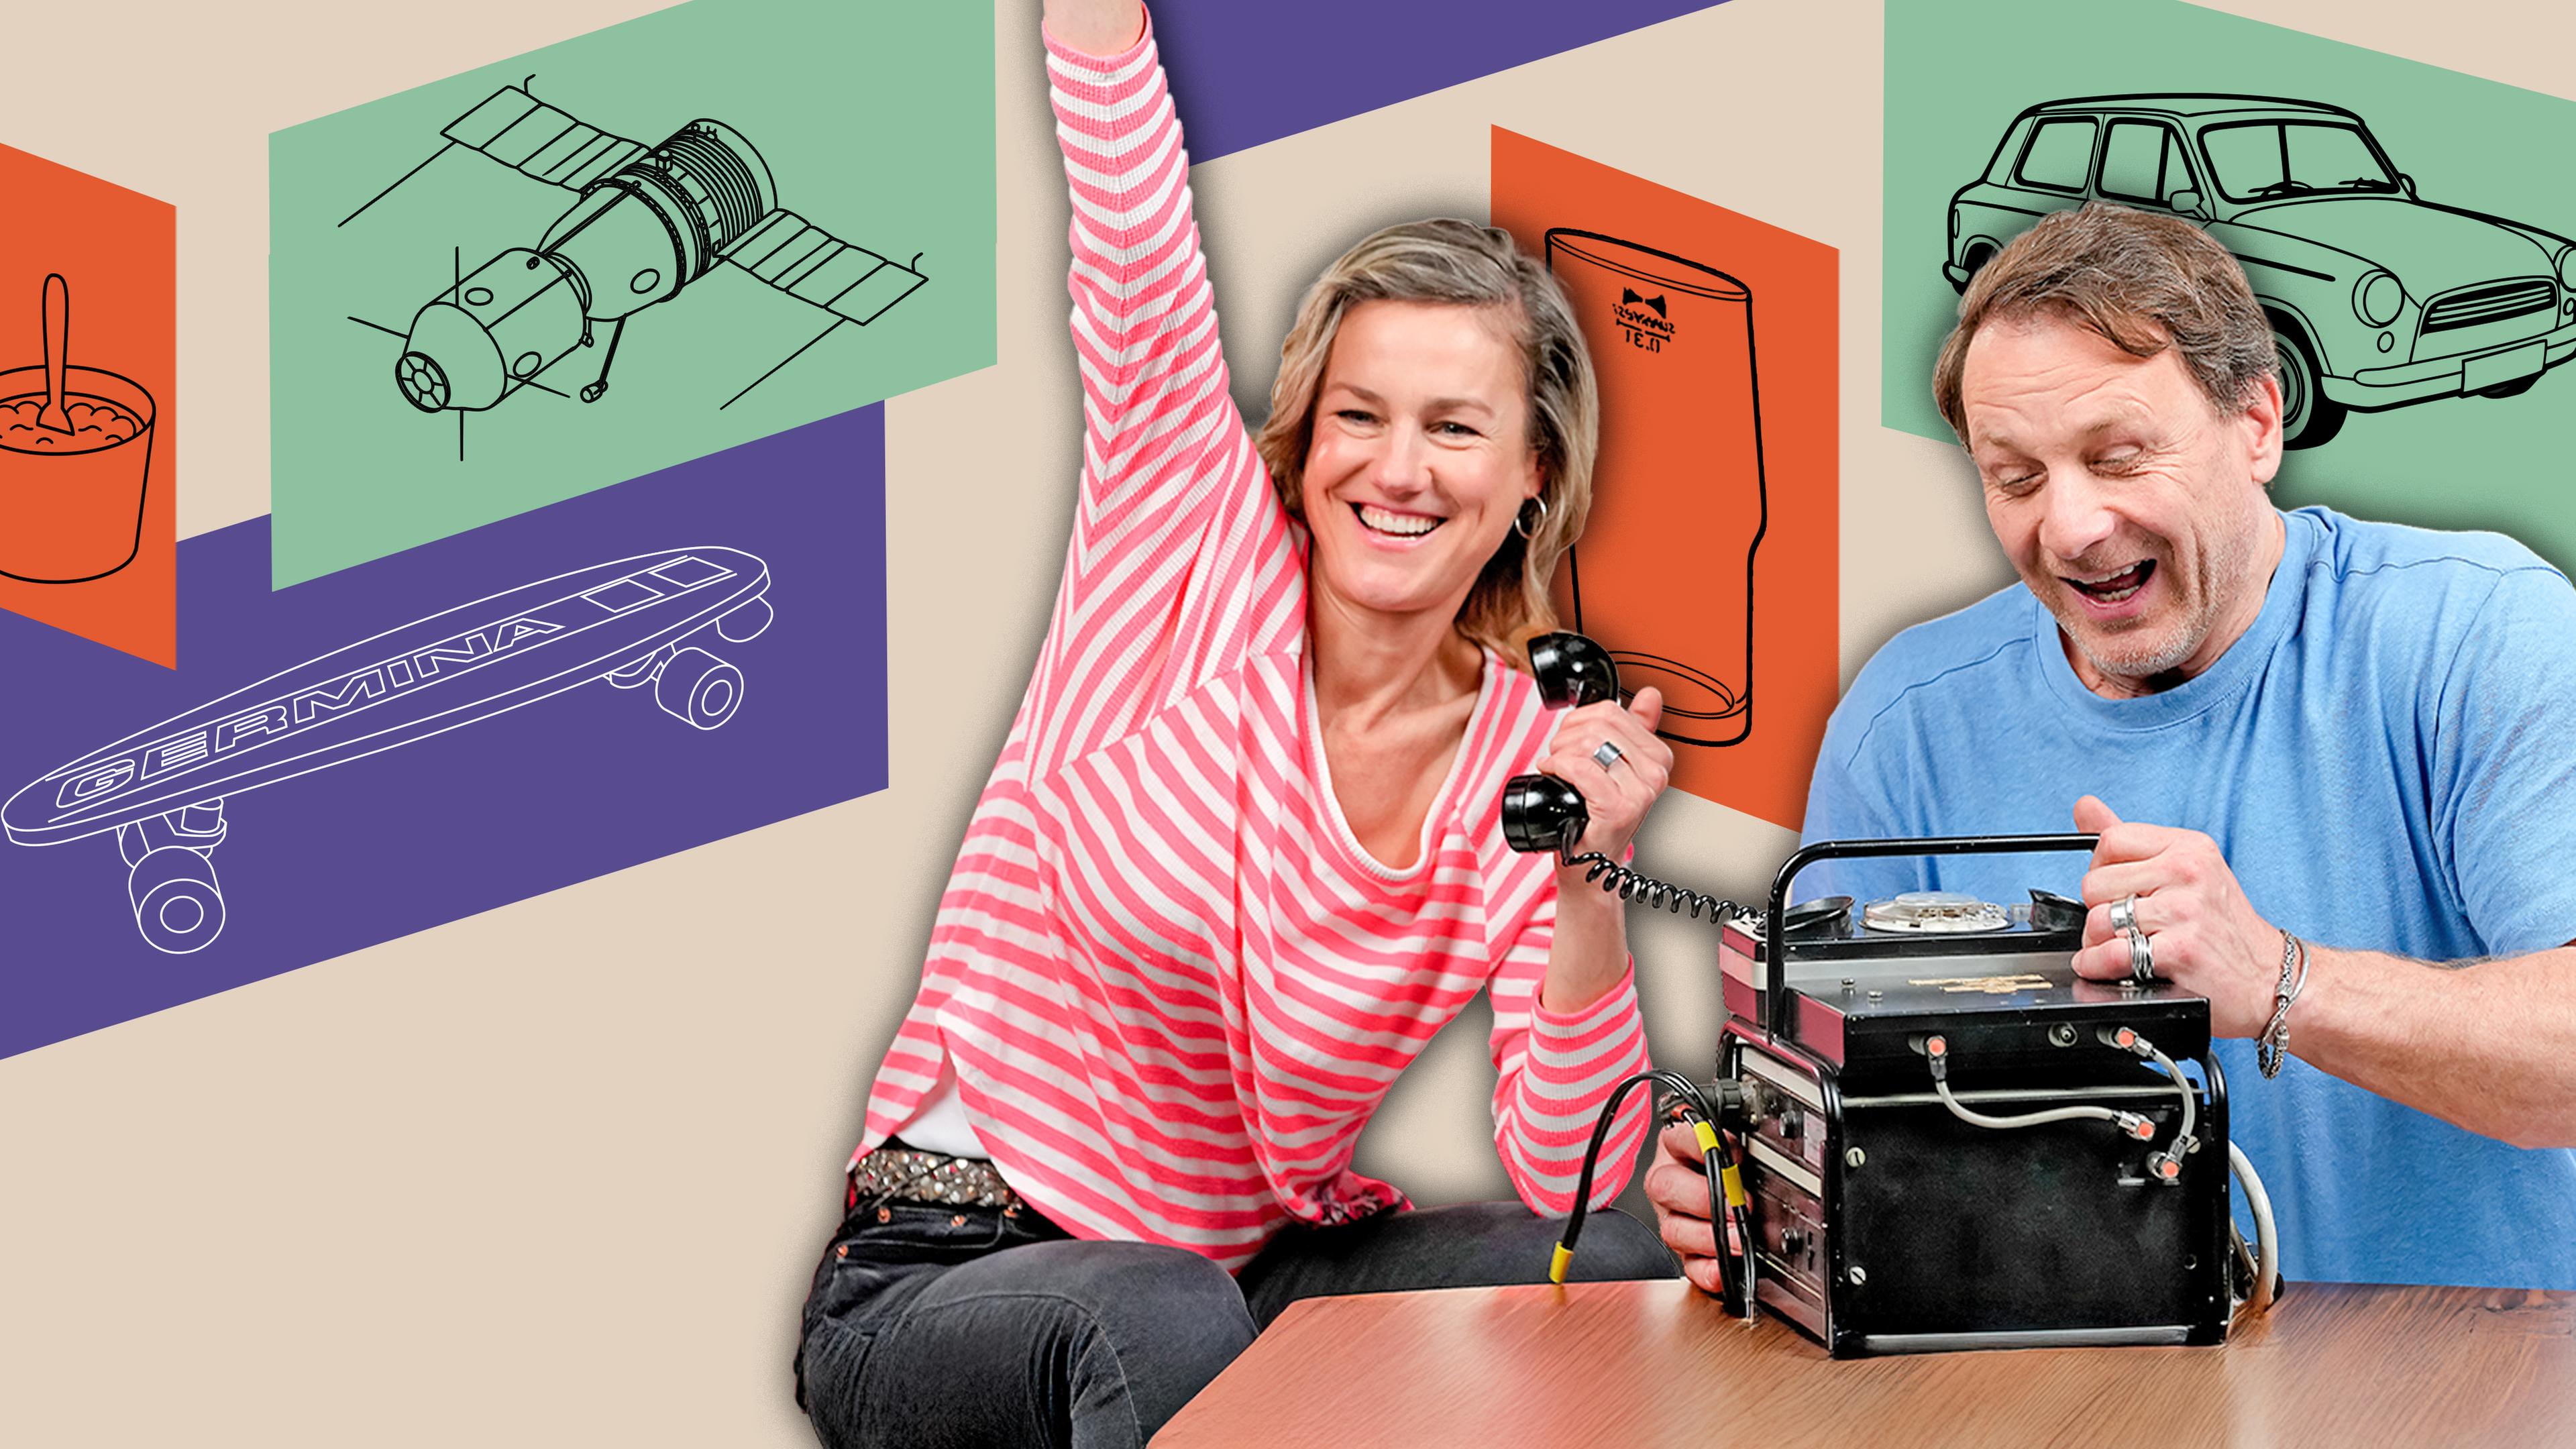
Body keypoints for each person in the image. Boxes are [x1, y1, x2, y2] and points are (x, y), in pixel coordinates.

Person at [797, 3, 1680, 1444]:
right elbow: (1133, 212)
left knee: (1631, 1261)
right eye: (1359, 416)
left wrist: (1588, 874)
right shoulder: (1185, 536)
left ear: (1532, 473)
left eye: (1454, 428)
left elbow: (1569, 1182)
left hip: (1247, 1272)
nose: (1396, 470)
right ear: (1306, 433)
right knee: (1157, 1316)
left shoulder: (1520, 759)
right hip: (951, 1270)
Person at [1645, 201, 2576, 1297]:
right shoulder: (1909, 721)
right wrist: (1756, 1184)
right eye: (2018, 476)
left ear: (2259, 423)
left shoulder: (2482, 635)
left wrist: (2281, 982)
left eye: (2120, 455)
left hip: (2470, 1376)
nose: (2073, 527)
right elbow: (1831, 1095)